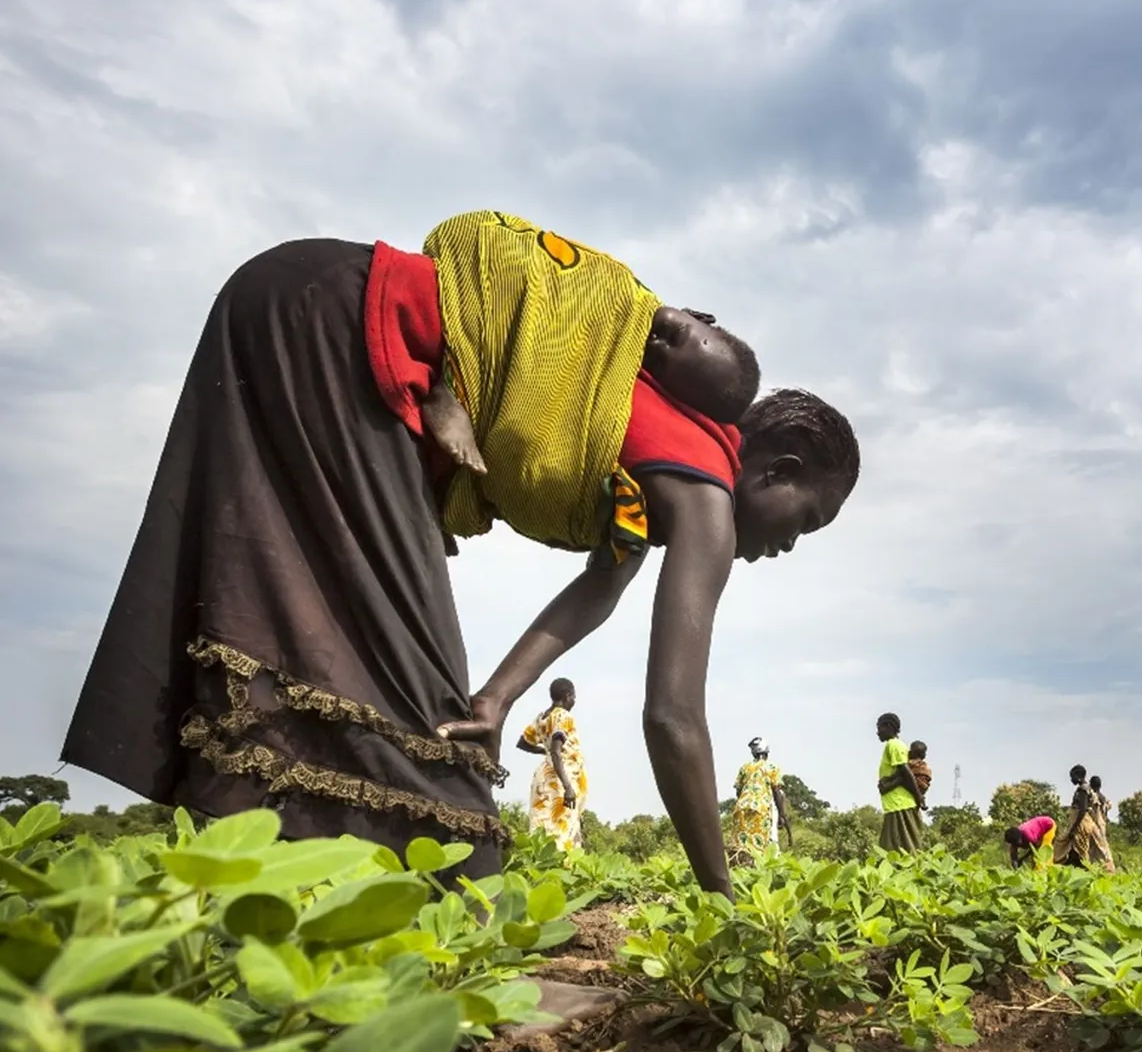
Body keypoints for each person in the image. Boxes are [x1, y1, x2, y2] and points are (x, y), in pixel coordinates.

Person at [62, 209, 859, 891]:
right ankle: (451, 928)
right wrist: (721, 892)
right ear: (777, 469)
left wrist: (500, 699)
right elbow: (674, 717)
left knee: (297, 629)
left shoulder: (664, 462)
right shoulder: (707, 500)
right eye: (806, 519)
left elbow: (598, 591)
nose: (789, 544)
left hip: (295, 300)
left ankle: (267, 891)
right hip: (344, 336)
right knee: (418, 715)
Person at [516, 678, 587, 850]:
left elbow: (523, 743)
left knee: (544, 827)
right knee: (561, 832)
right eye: (574, 697)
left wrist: (544, 751)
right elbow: (556, 751)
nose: (574, 702)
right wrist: (568, 787)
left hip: (546, 777)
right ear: (568, 696)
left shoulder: (542, 718)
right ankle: (560, 871)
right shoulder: (563, 716)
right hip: (559, 781)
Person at [724, 736, 793, 865]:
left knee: (741, 845)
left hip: (741, 808)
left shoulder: (745, 767)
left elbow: (738, 791)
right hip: (761, 808)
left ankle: (739, 868)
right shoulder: (772, 768)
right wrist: (782, 815)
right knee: (761, 845)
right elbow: (777, 792)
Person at [875, 713, 924, 853]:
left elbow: (906, 772)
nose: (878, 732)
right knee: (892, 850)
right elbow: (901, 774)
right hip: (894, 805)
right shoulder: (897, 745)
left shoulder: (894, 745)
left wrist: (918, 796)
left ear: (889, 726)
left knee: (904, 851)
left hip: (899, 805)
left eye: (880, 727)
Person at [1053, 764, 1108, 869]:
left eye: (1072, 776)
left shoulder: (1083, 789)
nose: (1071, 779)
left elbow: (1082, 810)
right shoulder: (1085, 788)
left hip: (1081, 824)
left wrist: (1073, 829)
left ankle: (1084, 871)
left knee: (1074, 850)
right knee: (1074, 850)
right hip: (1082, 823)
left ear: (1078, 776)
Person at [1087, 773, 1117, 872]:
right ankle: (1105, 868)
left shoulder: (1093, 797)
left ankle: (1107, 869)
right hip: (1102, 826)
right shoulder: (1104, 798)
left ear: (1091, 785)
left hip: (1094, 825)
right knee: (1102, 847)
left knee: (1096, 848)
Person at [906, 740, 933, 811]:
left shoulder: (910, 763)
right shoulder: (922, 764)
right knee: (920, 793)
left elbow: (911, 773)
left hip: (918, 783)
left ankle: (920, 800)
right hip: (921, 785)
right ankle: (922, 802)